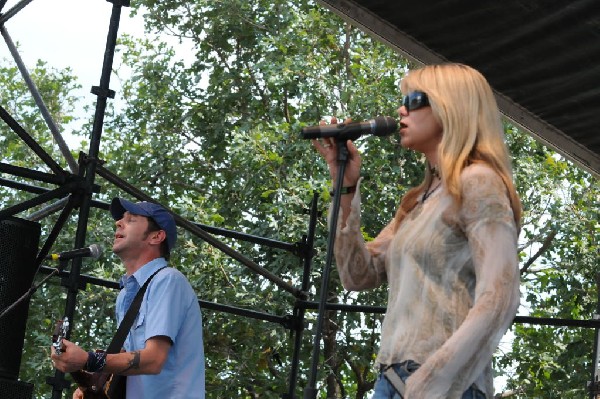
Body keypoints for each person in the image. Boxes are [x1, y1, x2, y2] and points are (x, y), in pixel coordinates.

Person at [312, 63, 521, 399]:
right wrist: (345, 186)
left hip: (443, 385)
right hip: (394, 380)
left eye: (414, 99)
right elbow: (357, 276)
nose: (401, 109)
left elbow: (501, 294)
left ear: (450, 106)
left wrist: (432, 379)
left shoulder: (478, 181)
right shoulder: (418, 200)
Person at [51, 198, 205, 399]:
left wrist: (88, 360)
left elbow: (154, 359)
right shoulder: (125, 295)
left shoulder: (168, 280)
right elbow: (129, 355)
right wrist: (96, 380)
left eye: (131, 219)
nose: (118, 223)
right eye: (121, 219)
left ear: (156, 236)